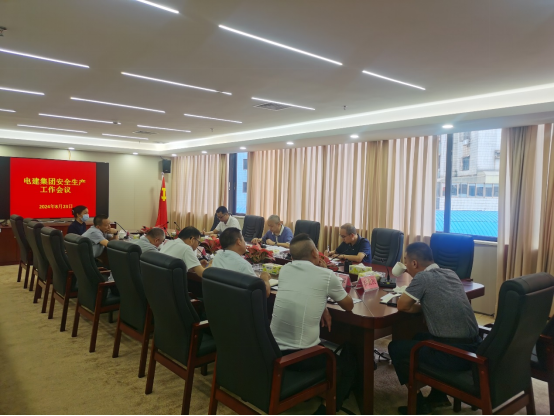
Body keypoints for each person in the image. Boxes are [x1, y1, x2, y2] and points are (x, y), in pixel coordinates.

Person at [388, 242, 482, 415]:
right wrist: (426, 307)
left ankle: (418, 405)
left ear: (414, 263)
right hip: (475, 348)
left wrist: (420, 307)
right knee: (418, 337)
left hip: (453, 355)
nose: (406, 265)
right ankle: (438, 396)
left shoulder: (423, 277)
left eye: (406, 261)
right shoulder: (450, 273)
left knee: (395, 347)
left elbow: (402, 305)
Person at [270, 233, 355, 413]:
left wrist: (323, 305)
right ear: (315, 253)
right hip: (299, 356)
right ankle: (326, 410)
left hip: (273, 349)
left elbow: (305, 291)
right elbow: (349, 305)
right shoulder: (326, 275)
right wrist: (326, 273)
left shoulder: (285, 270)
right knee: (348, 367)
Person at [212, 227, 272, 297]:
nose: (245, 242)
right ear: (239, 242)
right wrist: (264, 277)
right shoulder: (243, 265)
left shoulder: (217, 257)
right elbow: (265, 293)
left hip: (219, 300)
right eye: (243, 239)